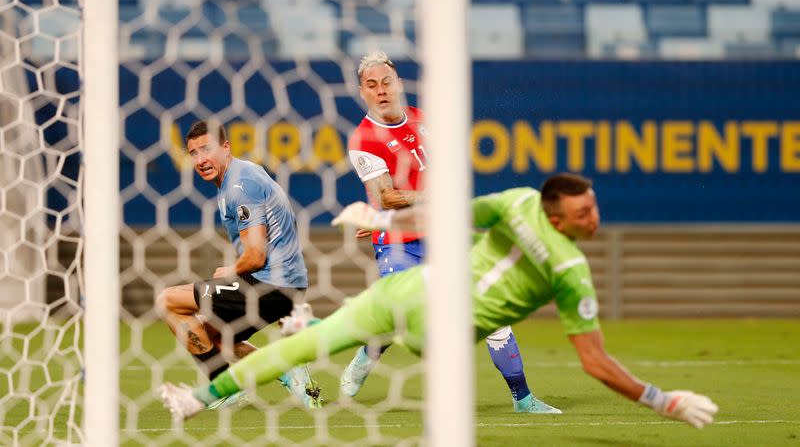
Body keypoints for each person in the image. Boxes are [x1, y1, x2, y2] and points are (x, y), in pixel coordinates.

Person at [159, 173, 718, 430]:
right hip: (414, 301)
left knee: (315, 339)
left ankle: (336, 336)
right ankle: (197, 399)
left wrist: (660, 400)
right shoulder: (537, 225)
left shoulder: (563, 261)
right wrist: (382, 218)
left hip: (434, 319)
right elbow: (449, 213)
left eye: (594, 209)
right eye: (584, 213)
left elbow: (594, 361)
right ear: (554, 214)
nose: (595, 219)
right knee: (302, 346)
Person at [342, 50, 551, 413]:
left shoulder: (426, 122)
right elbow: (387, 196)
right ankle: (367, 353)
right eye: (371, 85)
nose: (381, 90)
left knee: (491, 309)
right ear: (363, 92)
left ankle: (524, 399)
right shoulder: (364, 138)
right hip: (400, 240)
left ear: (399, 84)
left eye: (386, 82)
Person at [156, 120, 320, 410]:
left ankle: (222, 390)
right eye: (193, 153)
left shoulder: (240, 184)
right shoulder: (239, 177)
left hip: (272, 284)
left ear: (226, 147)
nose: (201, 160)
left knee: (168, 300)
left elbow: (255, 256)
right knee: (209, 336)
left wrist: (230, 271)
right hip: (282, 283)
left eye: (207, 149)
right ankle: (284, 368)